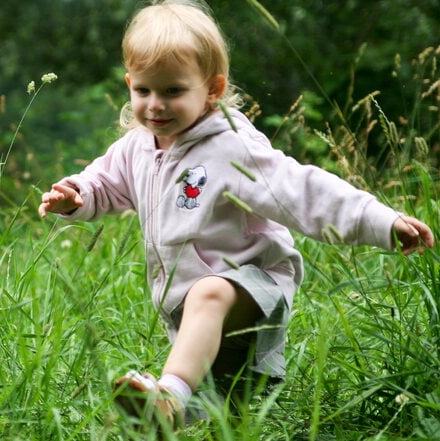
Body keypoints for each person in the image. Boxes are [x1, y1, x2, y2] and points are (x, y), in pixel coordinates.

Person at [38, 0, 435, 430]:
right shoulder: (137, 146)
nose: (155, 105)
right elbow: (105, 183)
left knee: (210, 291)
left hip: (252, 291)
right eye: (144, 91)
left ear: (211, 89)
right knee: (222, 408)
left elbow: (302, 190)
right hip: (190, 313)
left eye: (173, 91)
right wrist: (76, 196)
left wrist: (380, 222)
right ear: (130, 83)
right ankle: (169, 410)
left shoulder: (229, 146)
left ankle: (169, 392)